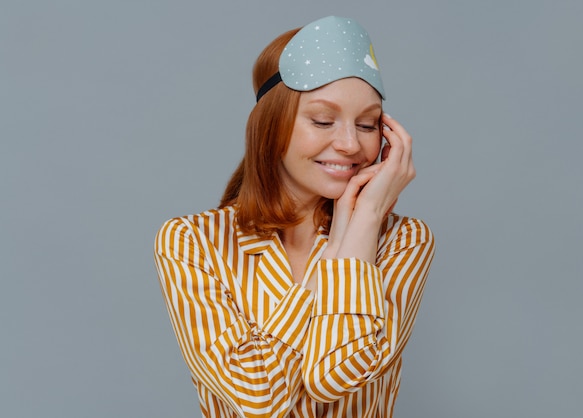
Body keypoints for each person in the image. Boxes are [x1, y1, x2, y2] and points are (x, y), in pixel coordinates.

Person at [154, 15, 435, 417]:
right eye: (323, 120)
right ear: (272, 127)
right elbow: (260, 399)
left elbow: (332, 376)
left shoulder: (403, 241)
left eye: (367, 124)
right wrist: (336, 255)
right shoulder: (192, 242)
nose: (350, 143)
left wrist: (363, 222)